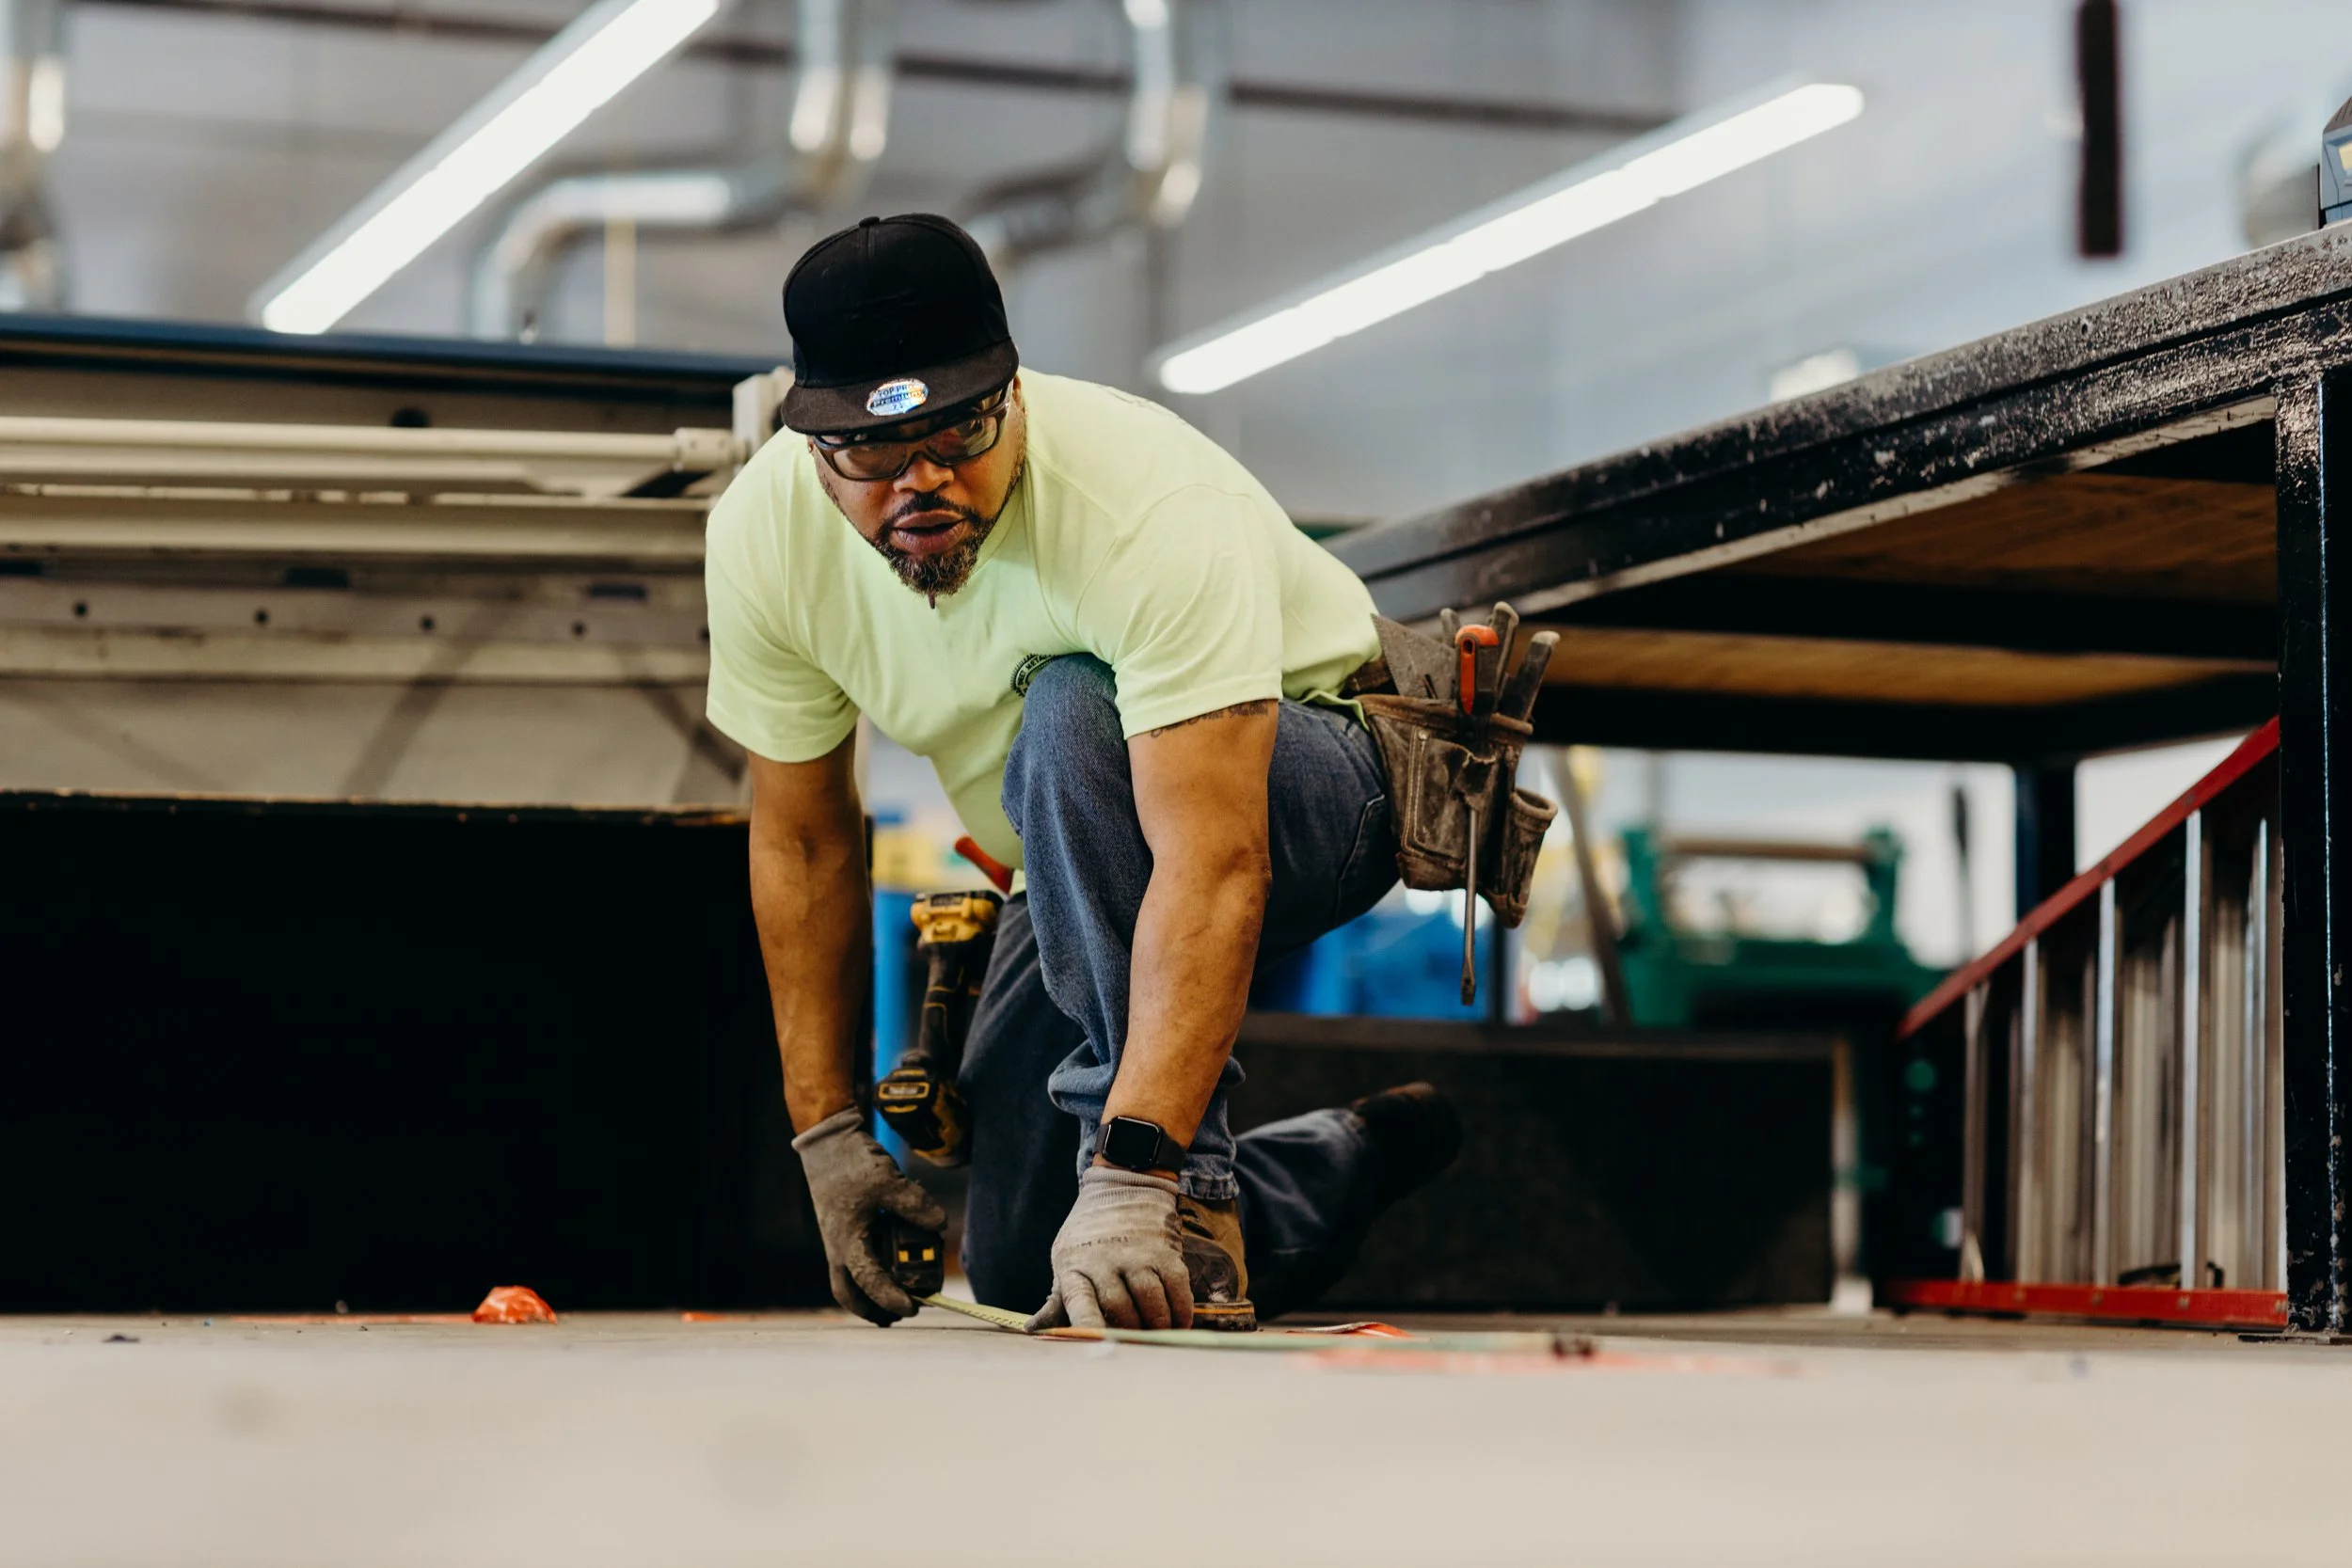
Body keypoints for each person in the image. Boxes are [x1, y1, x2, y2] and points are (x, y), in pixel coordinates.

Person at [703, 213, 1459, 1333]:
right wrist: (829, 1139)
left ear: (1012, 394)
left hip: (1319, 775)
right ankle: (1336, 1162)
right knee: (1026, 1260)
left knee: (1064, 708)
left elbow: (1213, 856)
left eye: (960, 432)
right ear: (815, 445)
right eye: (871, 453)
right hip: (1071, 843)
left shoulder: (1136, 498)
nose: (922, 481)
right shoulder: (763, 536)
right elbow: (805, 842)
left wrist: (1150, 1173)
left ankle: (1196, 1189)